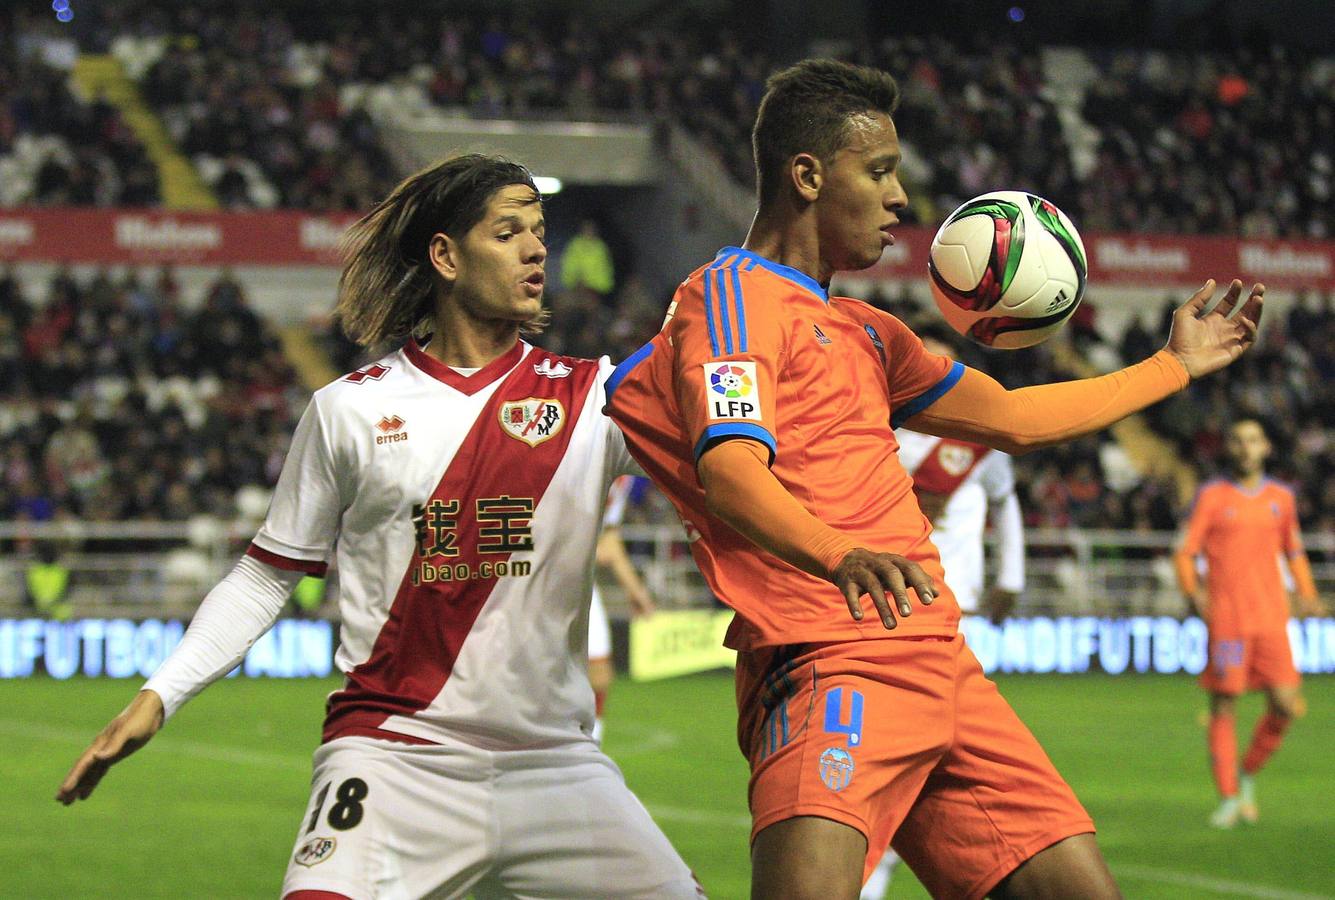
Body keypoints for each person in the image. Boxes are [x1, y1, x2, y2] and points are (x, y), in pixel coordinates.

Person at [604, 58, 1264, 900]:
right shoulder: (731, 298)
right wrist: (838, 555)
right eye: (878, 171)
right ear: (806, 175)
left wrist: (1171, 366)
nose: (900, 199)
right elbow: (733, 473)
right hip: (830, 657)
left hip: (939, 660)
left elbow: (1014, 422)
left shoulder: (871, 334)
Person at [57, 154, 703, 900]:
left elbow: (732, 461)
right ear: (445, 256)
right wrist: (158, 695)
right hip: (392, 757)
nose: (535, 250)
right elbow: (268, 574)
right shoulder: (349, 410)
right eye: (507, 232)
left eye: (538, 231)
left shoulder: (594, 396)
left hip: (555, 765)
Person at [863, 328, 1026, 900]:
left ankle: (943, 863)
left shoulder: (974, 434)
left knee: (944, 756)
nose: (936, 371)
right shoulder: (879, 431)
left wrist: (1011, 577)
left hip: (963, 609)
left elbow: (1005, 505)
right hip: (896, 609)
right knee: (906, 750)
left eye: (945, 362)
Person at [1173, 418, 1325, 829]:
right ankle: (1228, 795)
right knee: (1224, 706)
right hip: (1228, 621)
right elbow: (1185, 552)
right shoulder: (1212, 496)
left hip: (1272, 617)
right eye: (1238, 440)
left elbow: (1293, 551)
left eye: (1253, 440)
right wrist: (1193, 592)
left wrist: (1307, 595)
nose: (1245, 448)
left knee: (1286, 704)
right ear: (1229, 448)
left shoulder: (1281, 498)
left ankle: (1247, 772)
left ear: (1266, 448)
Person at [588, 475, 657, 744]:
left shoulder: (622, 480)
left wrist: (636, 591)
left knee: (600, 673)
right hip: (536, 581)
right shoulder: (570, 458)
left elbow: (609, 540)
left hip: (580, 583)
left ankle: (591, 751)